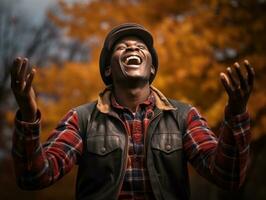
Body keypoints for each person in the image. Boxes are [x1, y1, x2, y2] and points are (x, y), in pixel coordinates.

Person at [10, 23, 255, 200]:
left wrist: (236, 113)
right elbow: (35, 177)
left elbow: (228, 176)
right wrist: (28, 115)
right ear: (108, 71)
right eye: (122, 47)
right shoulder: (81, 119)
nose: (132, 49)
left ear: (151, 70)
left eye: (140, 47)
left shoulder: (183, 116)